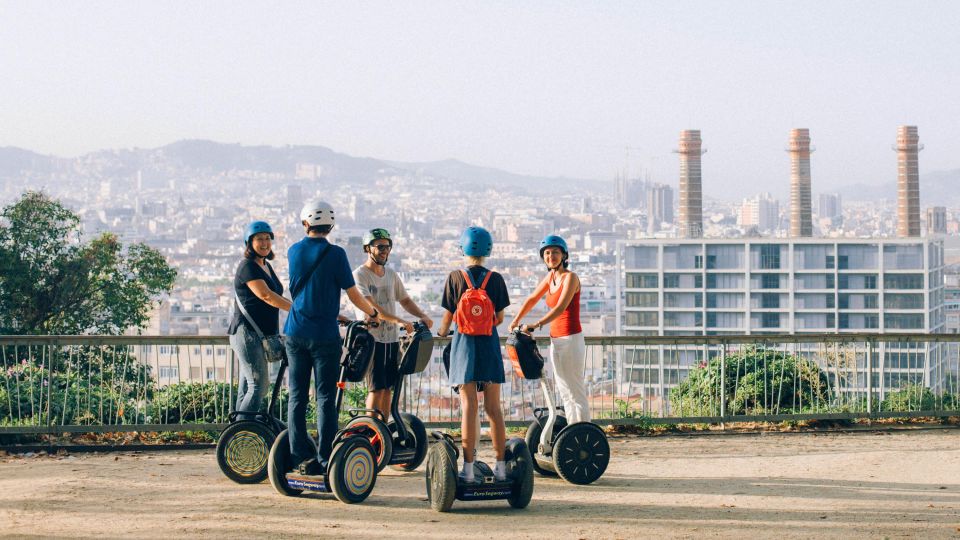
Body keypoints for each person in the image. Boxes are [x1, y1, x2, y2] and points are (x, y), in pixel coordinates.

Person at [284, 199, 381, 475]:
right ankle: (325, 456)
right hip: (325, 335)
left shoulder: (293, 251)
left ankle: (297, 453)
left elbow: (300, 292)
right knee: (325, 397)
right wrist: (372, 313)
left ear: (306, 224)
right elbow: (352, 294)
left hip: (295, 331)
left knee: (297, 396)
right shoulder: (336, 255)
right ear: (331, 225)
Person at [436, 226, 509, 482]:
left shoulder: (455, 278)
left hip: (463, 347)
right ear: (488, 250)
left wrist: (445, 331)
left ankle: (467, 469)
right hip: (488, 346)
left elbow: (446, 321)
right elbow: (499, 318)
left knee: (469, 407)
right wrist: (484, 326)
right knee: (493, 409)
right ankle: (501, 467)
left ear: (463, 248)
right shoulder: (496, 279)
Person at [353, 228, 433, 421]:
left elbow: (404, 300)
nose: (384, 250)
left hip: (391, 339)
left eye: (387, 246)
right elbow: (369, 306)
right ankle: (370, 428)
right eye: (380, 246)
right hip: (371, 339)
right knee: (375, 389)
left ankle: (384, 430)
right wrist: (400, 321)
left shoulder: (391, 274)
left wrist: (422, 315)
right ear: (368, 249)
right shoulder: (359, 275)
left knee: (388, 389)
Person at [509, 234, 590, 424]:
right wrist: (516, 320)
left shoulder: (570, 278)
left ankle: (585, 430)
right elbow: (532, 299)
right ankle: (573, 429)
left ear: (564, 255)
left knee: (575, 389)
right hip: (556, 339)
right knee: (564, 390)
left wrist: (536, 325)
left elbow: (560, 307)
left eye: (555, 252)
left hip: (571, 339)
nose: (550, 256)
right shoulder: (551, 277)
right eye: (547, 253)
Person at [227, 221, 291, 419]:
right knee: (259, 386)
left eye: (267, 238)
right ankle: (242, 434)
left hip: (258, 334)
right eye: (259, 239)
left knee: (248, 387)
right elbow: (266, 295)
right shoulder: (247, 267)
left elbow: (276, 294)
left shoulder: (265, 265)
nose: (264, 243)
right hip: (247, 333)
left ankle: (237, 433)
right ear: (249, 242)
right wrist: (298, 310)